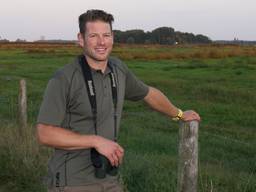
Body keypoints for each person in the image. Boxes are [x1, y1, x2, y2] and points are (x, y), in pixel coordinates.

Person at [37, 9, 200, 192]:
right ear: (81, 39)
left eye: (106, 35)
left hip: (109, 178)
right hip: (71, 182)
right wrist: (96, 141)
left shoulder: (118, 70)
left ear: (112, 37)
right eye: (94, 36)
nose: (101, 42)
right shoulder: (64, 78)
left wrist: (178, 114)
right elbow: (45, 133)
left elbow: (148, 94)